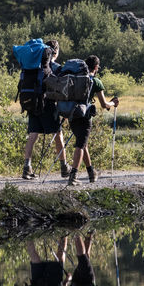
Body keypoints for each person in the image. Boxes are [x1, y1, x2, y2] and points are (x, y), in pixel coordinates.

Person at [66, 55, 120, 185]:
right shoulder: (95, 82)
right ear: (96, 67)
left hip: (72, 115)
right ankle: (73, 176)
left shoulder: (75, 78)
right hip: (85, 118)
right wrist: (113, 103)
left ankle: (91, 173)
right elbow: (104, 104)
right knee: (80, 145)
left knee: (83, 144)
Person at [22, 38, 69, 180]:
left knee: (33, 134)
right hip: (48, 104)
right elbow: (61, 88)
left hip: (32, 103)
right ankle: (64, 167)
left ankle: (27, 167)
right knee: (58, 135)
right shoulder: (55, 67)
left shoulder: (34, 66)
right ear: (56, 51)